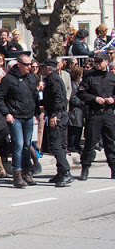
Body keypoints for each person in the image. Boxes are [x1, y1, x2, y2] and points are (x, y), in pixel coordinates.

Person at [0, 53, 40, 188]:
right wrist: (7, 113)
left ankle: (27, 172)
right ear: (19, 64)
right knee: (18, 145)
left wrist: (35, 113)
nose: (29, 67)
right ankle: (17, 173)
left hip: (28, 116)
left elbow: (34, 96)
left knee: (27, 145)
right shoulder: (9, 79)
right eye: (27, 65)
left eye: (30, 64)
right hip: (15, 117)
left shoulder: (31, 78)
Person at [77, 52, 115, 180]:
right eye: (96, 62)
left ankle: (113, 169)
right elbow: (81, 93)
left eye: (100, 62)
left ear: (106, 62)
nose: (97, 64)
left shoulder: (112, 77)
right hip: (94, 114)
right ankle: (85, 168)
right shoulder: (89, 77)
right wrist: (94, 98)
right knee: (90, 142)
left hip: (108, 114)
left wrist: (112, 99)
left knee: (110, 142)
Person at [40, 59, 74, 187]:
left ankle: (66, 172)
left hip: (58, 115)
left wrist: (54, 115)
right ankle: (60, 172)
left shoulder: (53, 80)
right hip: (58, 113)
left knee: (56, 145)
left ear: (48, 68)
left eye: (43, 67)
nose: (41, 70)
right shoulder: (52, 79)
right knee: (57, 144)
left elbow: (59, 98)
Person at [68, 66, 85, 153]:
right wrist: (82, 102)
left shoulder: (78, 84)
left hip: (79, 111)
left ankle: (77, 144)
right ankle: (72, 145)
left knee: (79, 127)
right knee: (74, 128)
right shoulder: (73, 85)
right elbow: (73, 98)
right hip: (75, 110)